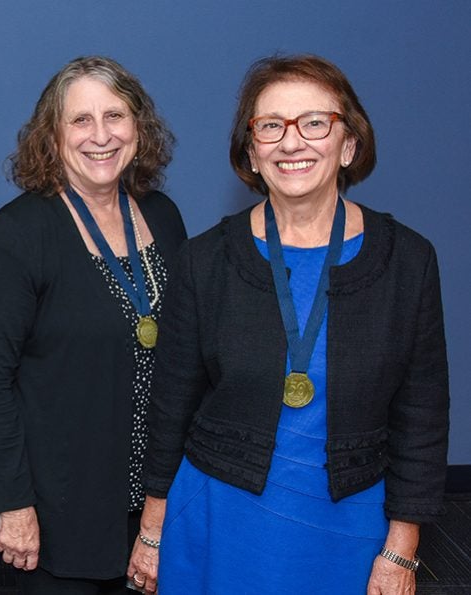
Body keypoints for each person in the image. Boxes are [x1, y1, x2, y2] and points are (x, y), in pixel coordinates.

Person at [130, 55, 450, 595]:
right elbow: (170, 405)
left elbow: (421, 415)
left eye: (315, 123)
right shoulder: (204, 261)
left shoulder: (408, 261)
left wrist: (403, 548)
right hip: (218, 520)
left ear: (349, 144)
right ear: (252, 153)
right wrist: (153, 530)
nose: (292, 142)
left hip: (352, 528)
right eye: (272, 125)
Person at [0, 56, 186, 594]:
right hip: (54, 515)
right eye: (80, 120)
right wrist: (13, 505)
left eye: (115, 116)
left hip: (153, 506)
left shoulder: (163, 216)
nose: (101, 135)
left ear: (139, 126)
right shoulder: (18, 234)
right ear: (52, 134)